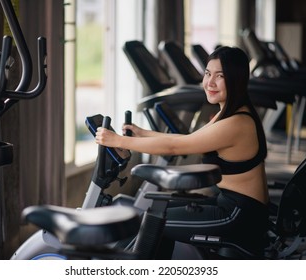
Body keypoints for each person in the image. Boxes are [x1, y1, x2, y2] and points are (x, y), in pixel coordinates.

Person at [95, 46, 270, 258]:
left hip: (238, 214)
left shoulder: (236, 123)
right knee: (154, 214)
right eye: (207, 74)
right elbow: (187, 140)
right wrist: (142, 134)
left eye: (220, 76)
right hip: (233, 206)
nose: (210, 83)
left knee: (151, 225)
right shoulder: (230, 113)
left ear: (236, 80)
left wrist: (118, 140)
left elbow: (175, 147)